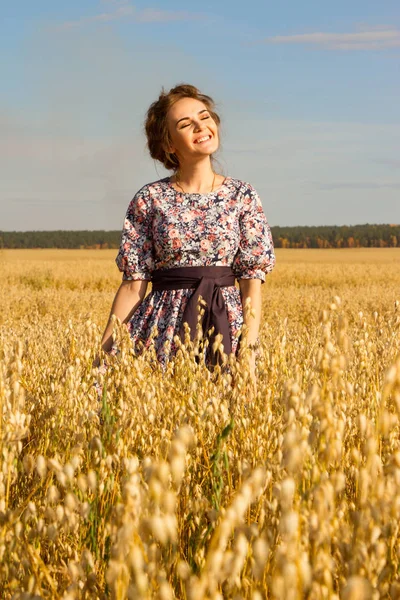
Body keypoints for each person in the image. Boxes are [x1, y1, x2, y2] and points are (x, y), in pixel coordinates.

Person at [97, 83, 275, 385]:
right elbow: (132, 287)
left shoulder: (242, 195)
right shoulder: (149, 199)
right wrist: (102, 357)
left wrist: (249, 351)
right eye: (185, 123)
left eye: (204, 117)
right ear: (169, 145)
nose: (200, 126)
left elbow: (252, 285)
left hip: (226, 327)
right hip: (162, 330)